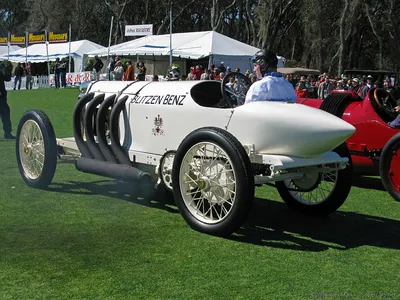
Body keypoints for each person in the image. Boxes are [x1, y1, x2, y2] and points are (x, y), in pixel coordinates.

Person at [0, 62, 15, 139]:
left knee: (5, 114)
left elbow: (8, 79)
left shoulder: (1, 74)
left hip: (2, 98)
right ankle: (7, 133)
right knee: (5, 114)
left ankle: (7, 133)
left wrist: (8, 71)